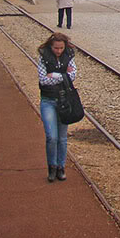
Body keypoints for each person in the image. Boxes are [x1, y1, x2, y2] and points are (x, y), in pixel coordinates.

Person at [37, 32, 77, 182]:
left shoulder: (69, 55)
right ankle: (51, 167)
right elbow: (42, 80)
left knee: (62, 138)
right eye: (56, 48)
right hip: (48, 100)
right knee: (51, 136)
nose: (59, 51)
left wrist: (53, 75)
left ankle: (61, 167)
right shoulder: (43, 57)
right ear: (50, 46)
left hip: (64, 101)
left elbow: (73, 76)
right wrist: (63, 76)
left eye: (61, 48)